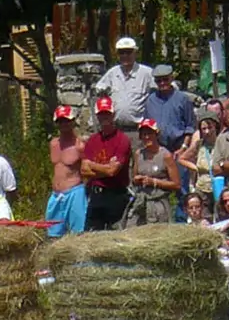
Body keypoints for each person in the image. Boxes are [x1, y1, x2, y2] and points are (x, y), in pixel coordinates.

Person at [80, 97, 132, 230]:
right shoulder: (93, 140)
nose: (104, 117)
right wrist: (105, 167)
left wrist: (92, 165)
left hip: (116, 194)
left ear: (113, 114)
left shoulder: (122, 139)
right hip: (97, 194)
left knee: (115, 235)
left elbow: (113, 171)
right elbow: (84, 171)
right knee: (91, 234)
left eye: (107, 113)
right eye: (101, 114)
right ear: (97, 116)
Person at [123, 119, 177, 226]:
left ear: (156, 134)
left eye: (149, 133)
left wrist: (154, 182)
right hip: (141, 201)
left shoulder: (166, 155)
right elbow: (134, 178)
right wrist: (137, 179)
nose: (146, 137)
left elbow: (176, 184)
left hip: (158, 203)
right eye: (143, 134)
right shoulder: (139, 154)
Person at [93, 37, 154, 130]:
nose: (125, 55)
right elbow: (98, 89)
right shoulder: (112, 73)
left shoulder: (146, 73)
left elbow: (166, 86)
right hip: (116, 129)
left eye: (128, 52)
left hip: (138, 130)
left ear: (135, 53)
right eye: (121, 52)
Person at [46, 104, 86, 237]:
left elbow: (87, 171)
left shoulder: (79, 145)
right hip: (56, 194)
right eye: (60, 121)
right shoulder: (53, 143)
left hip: (75, 192)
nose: (63, 124)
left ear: (72, 122)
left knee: (78, 234)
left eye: (66, 121)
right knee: (52, 234)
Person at [144, 65, 197, 160]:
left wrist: (183, 148)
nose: (162, 83)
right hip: (158, 149)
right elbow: (147, 127)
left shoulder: (183, 99)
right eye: (158, 81)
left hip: (179, 148)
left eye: (165, 79)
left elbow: (190, 126)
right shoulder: (150, 101)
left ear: (171, 78)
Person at [179, 108, 221, 204]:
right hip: (202, 189)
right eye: (204, 129)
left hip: (218, 187)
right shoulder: (199, 144)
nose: (207, 132)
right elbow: (182, 159)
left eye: (209, 128)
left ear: (215, 127)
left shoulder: (222, 143)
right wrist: (196, 168)